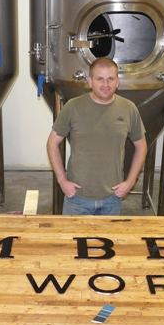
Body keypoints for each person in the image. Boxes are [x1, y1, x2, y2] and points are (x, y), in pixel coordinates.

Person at [46, 57, 147, 215]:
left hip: (112, 198)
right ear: (90, 81)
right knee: (73, 240)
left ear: (117, 82)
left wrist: (130, 182)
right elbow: (52, 143)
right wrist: (62, 180)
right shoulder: (73, 107)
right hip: (77, 198)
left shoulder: (128, 108)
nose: (105, 84)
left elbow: (141, 146)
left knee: (108, 240)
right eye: (100, 79)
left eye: (110, 79)